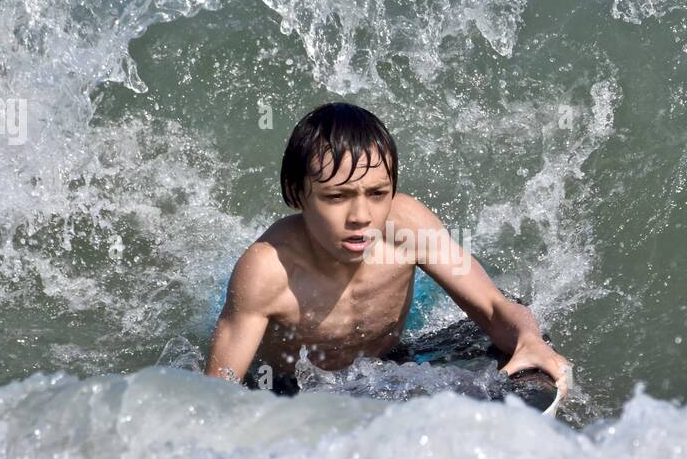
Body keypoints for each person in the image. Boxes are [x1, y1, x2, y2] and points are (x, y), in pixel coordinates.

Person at [204, 102, 570, 398]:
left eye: (378, 194)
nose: (361, 216)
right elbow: (218, 394)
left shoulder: (408, 226)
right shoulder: (268, 270)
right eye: (336, 197)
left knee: (526, 347)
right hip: (293, 392)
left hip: (389, 365)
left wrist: (530, 341)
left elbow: (493, 307)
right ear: (296, 194)